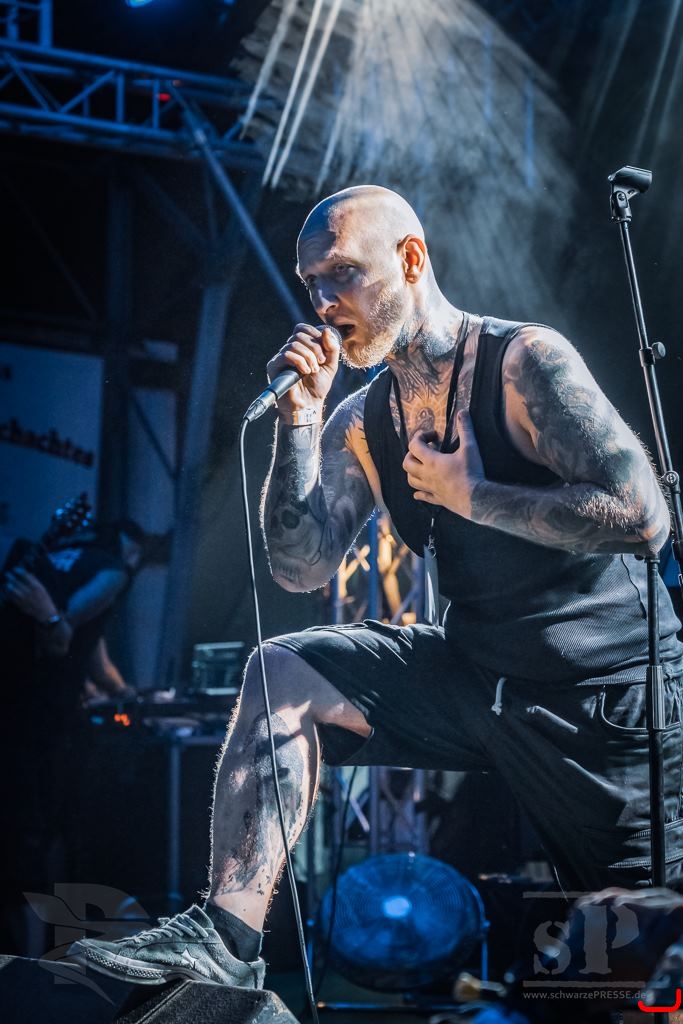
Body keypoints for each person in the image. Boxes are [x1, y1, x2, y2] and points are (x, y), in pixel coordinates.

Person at [69, 185, 683, 989]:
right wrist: (298, 423)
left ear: (410, 259)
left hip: (601, 702)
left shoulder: (522, 363)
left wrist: (473, 497)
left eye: (342, 274)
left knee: (641, 958)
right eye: (310, 283)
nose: (323, 303)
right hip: (477, 678)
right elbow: (300, 566)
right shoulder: (365, 419)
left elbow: (641, 515)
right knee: (281, 672)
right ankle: (225, 940)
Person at [1, 516, 144, 954]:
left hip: (21, 718)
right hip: (40, 728)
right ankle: (35, 961)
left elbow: (94, 661)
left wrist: (123, 692)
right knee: (38, 844)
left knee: (25, 843)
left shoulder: (39, 558)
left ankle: (31, 957)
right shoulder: (111, 571)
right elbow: (60, 638)